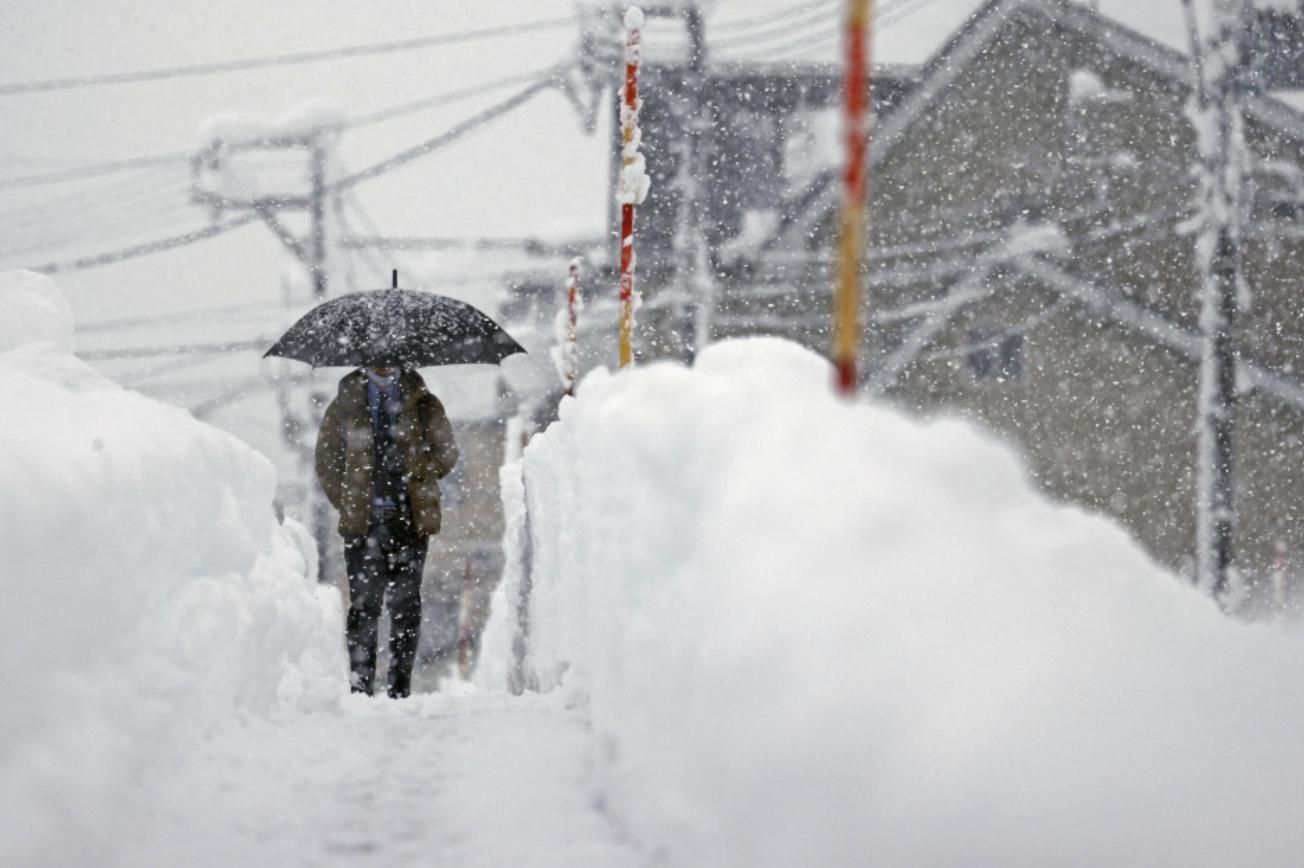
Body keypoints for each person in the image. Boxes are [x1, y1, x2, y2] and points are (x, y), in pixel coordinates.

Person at [315, 365, 459, 698]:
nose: (383, 361)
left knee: (406, 606)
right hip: (364, 524)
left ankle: (399, 687)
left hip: (409, 520)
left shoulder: (425, 404)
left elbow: (447, 453)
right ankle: (361, 686)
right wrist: (350, 498)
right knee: (364, 607)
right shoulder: (344, 405)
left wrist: (419, 468)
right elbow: (326, 461)